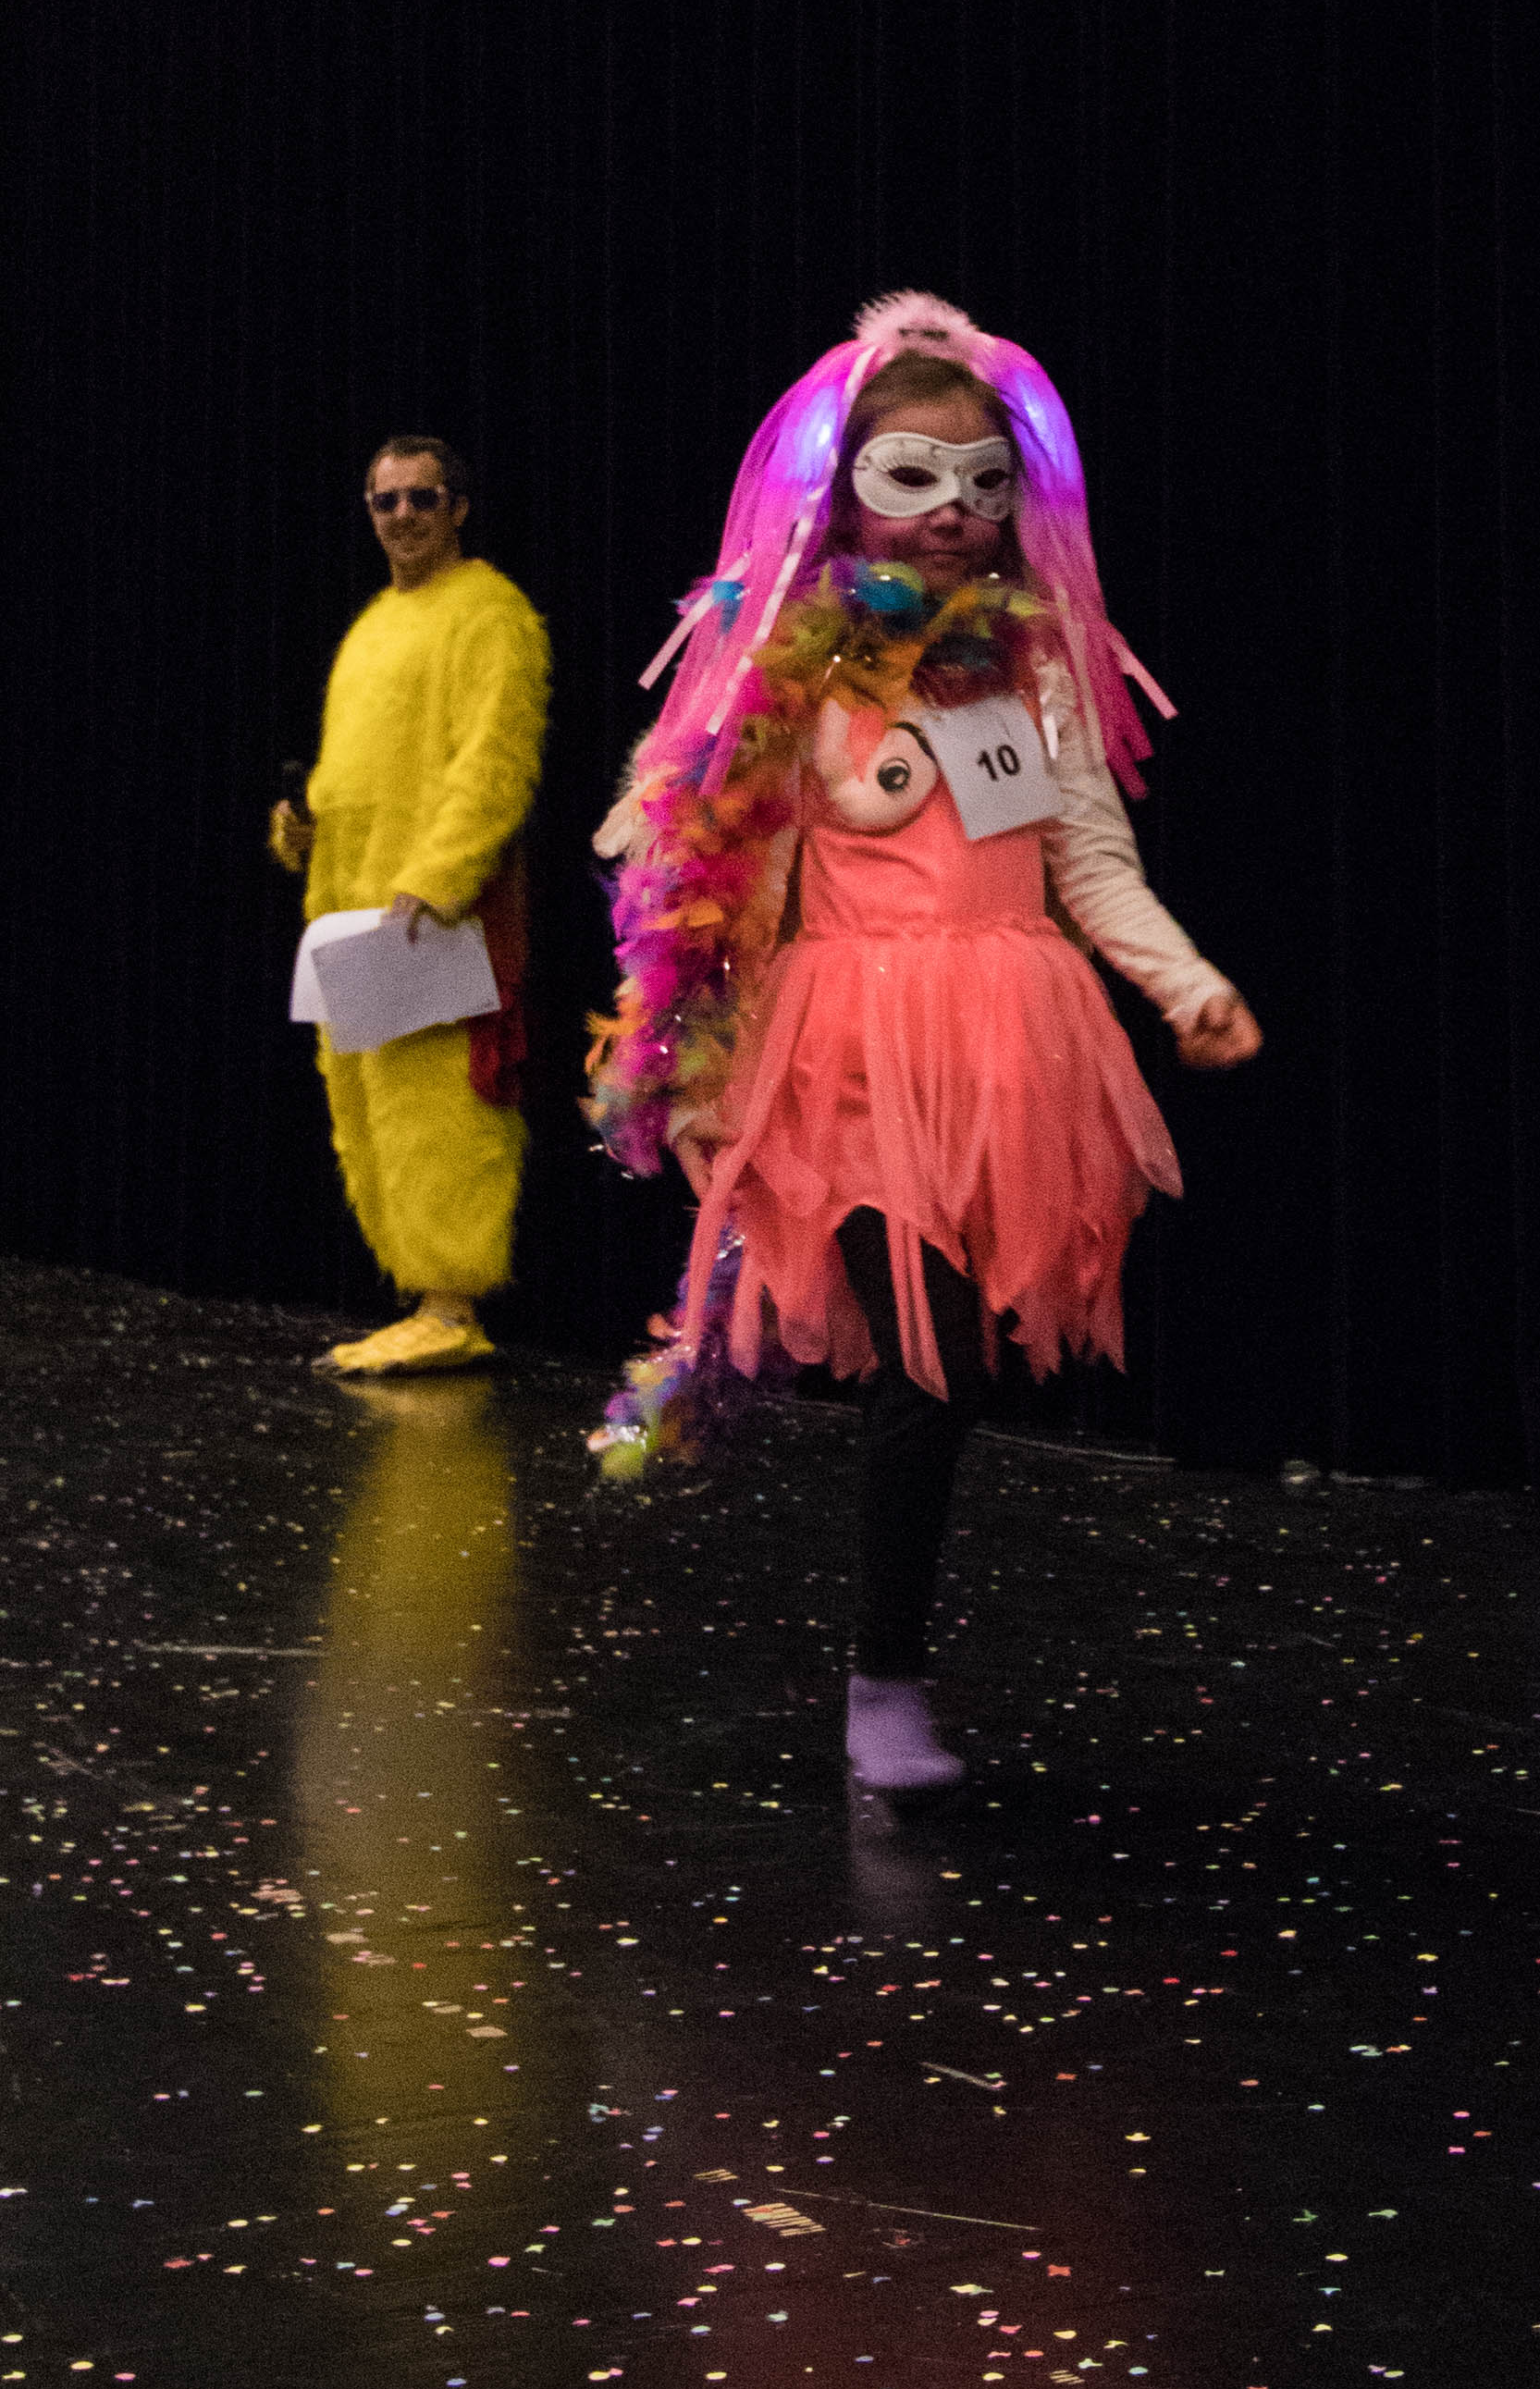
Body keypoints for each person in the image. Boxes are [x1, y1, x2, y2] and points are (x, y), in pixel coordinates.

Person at [586, 290, 1258, 1797]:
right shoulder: (795, 670)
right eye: (914, 475)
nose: (952, 511)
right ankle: (883, 1678)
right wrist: (693, 1069)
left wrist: (1187, 986)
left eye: (981, 481)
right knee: (930, 1360)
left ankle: (886, 1668)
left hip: (1009, 1056)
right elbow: (722, 883)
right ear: (847, 490)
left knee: (950, 1370)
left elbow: (1090, 862)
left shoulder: (1035, 668)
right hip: (850, 1054)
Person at [270, 437, 550, 1374]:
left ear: (457, 507)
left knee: (440, 1104)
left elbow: (494, 758)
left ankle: (451, 1303)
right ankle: (425, 1297)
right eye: (384, 501)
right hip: (354, 907)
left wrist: (438, 876)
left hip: (431, 912)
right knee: (371, 1106)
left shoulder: (490, 613)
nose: (402, 516)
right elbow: (358, 766)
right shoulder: (376, 623)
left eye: (421, 498)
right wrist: (305, 826)